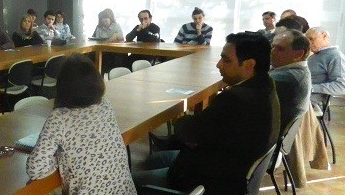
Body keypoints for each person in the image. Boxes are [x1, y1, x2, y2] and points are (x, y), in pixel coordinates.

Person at [133, 33, 279, 194]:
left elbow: (188, 132)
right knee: (154, 158)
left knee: (130, 180)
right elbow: (199, 132)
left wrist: (186, 126)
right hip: (232, 172)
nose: (219, 65)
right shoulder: (267, 87)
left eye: (226, 60)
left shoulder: (235, 98)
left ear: (249, 65)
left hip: (208, 181)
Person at [27, 54, 137, 194]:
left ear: (63, 86)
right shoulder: (105, 105)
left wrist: (61, 161)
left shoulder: (60, 117)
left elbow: (34, 169)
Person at [270, 28, 311, 132]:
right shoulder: (296, 71)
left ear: (298, 54)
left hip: (265, 138)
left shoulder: (287, 78)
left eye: (280, 49)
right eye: (273, 46)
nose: (272, 52)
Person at [305, 27, 345, 108]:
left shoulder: (336, 57)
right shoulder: (314, 56)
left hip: (312, 101)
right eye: (307, 40)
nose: (309, 43)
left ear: (324, 36)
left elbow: (341, 87)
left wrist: (310, 88)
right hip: (304, 95)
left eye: (311, 39)